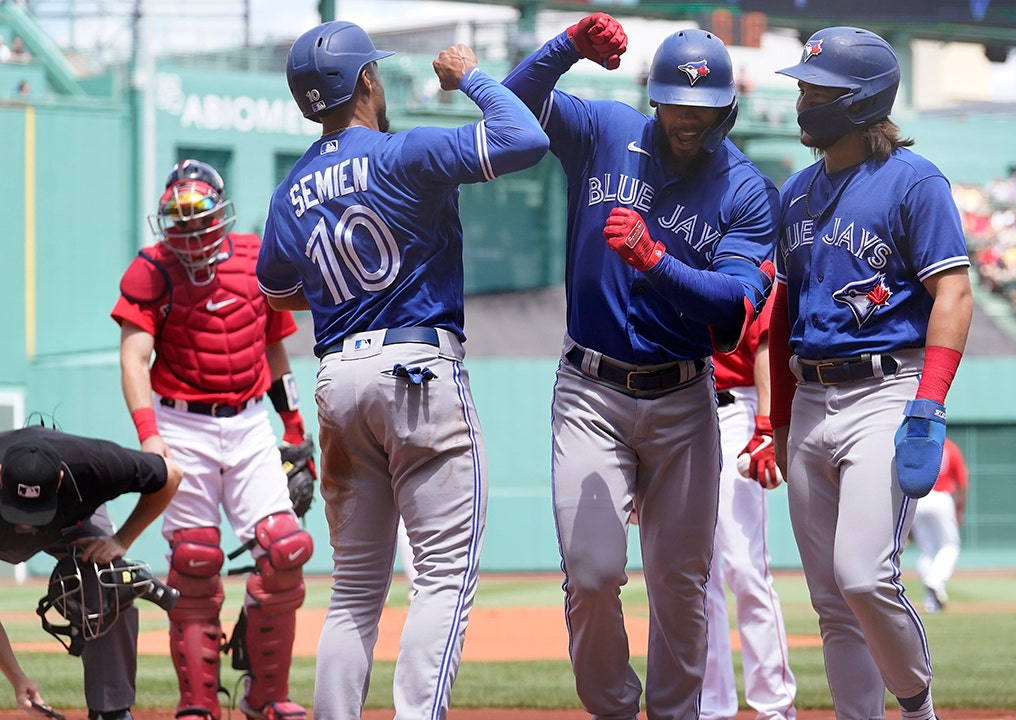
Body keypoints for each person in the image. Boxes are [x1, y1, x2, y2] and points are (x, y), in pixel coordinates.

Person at [256, 20, 548, 720]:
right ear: (366, 79)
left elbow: (277, 290)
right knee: (442, 577)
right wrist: (471, 77)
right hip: (417, 370)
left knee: (354, 591)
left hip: (338, 378)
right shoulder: (403, 151)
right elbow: (525, 139)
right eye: (377, 72)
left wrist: (340, 293)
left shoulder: (289, 190)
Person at [503, 15, 778, 720]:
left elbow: (735, 310)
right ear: (655, 99)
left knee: (682, 585)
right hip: (589, 391)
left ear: (727, 108)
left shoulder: (746, 190)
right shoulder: (605, 131)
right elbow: (510, 105)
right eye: (676, 103)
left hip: (684, 397)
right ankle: (613, 710)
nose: (687, 119)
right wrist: (565, 48)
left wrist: (657, 261)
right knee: (592, 575)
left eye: (703, 107)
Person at [768, 27, 973, 720]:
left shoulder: (915, 182)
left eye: (814, 90)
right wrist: (777, 419)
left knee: (863, 576)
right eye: (803, 87)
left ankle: (916, 708)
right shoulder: (795, 193)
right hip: (809, 396)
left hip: (886, 390)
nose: (801, 100)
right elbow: (783, 312)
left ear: (858, 101)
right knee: (831, 600)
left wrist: (928, 403)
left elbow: (954, 293)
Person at [111, 159, 317, 720]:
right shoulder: (152, 269)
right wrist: (149, 436)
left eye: (199, 213)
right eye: (178, 216)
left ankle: (265, 696)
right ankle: (198, 703)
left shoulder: (255, 258)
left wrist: (294, 427)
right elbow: (133, 358)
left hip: (249, 422)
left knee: (285, 551)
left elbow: (274, 350)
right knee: (195, 561)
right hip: (182, 424)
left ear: (220, 211)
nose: (189, 226)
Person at [0, 425, 183, 720]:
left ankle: (112, 712)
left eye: (35, 511)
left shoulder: (94, 464)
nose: (27, 526)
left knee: (106, 581)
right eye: (20, 510)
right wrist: (17, 679)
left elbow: (172, 474)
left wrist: (121, 540)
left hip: (72, 520)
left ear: (61, 478)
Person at [702, 291, 797, 720]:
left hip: (735, 408)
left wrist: (765, 425)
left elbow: (765, 342)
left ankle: (774, 706)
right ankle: (710, 707)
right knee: (696, 576)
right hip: (681, 404)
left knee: (745, 566)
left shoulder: (748, 255)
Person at [912, 437, 968, 613]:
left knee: (926, 551)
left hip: (918, 498)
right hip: (941, 497)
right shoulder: (950, 447)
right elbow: (962, 482)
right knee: (950, 546)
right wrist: (960, 508)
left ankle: (932, 603)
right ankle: (935, 581)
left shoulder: (918, 445)